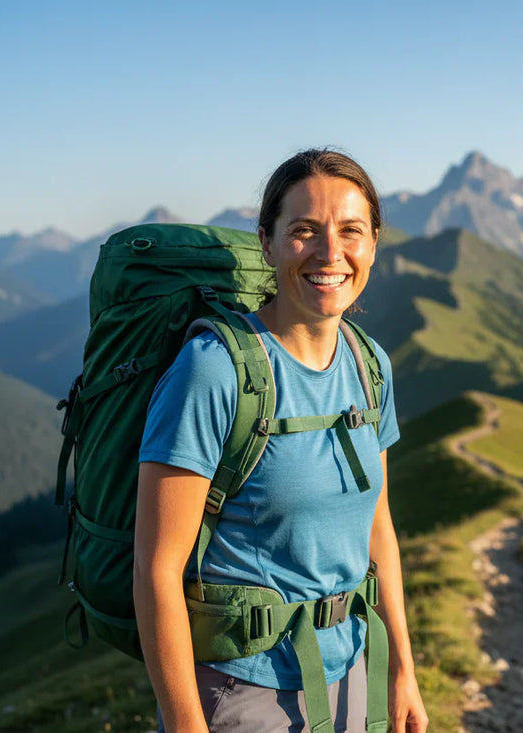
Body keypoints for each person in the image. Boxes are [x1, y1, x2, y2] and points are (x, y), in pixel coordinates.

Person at [133, 149, 429, 733]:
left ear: (373, 243)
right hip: (243, 689)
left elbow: (378, 529)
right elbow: (156, 569)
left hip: (354, 676)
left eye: (350, 231)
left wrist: (402, 668)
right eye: (303, 232)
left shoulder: (370, 366)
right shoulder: (214, 371)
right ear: (267, 243)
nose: (330, 253)